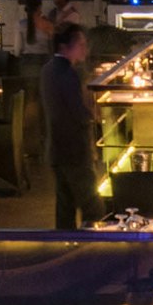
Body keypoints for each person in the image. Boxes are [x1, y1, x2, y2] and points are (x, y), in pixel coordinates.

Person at [41, 19, 100, 228]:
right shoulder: (68, 74)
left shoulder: (48, 69)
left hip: (57, 150)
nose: (84, 49)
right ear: (65, 47)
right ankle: (94, 252)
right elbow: (79, 112)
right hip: (75, 151)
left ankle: (67, 250)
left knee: (65, 209)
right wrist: (93, 115)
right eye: (81, 45)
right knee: (92, 207)